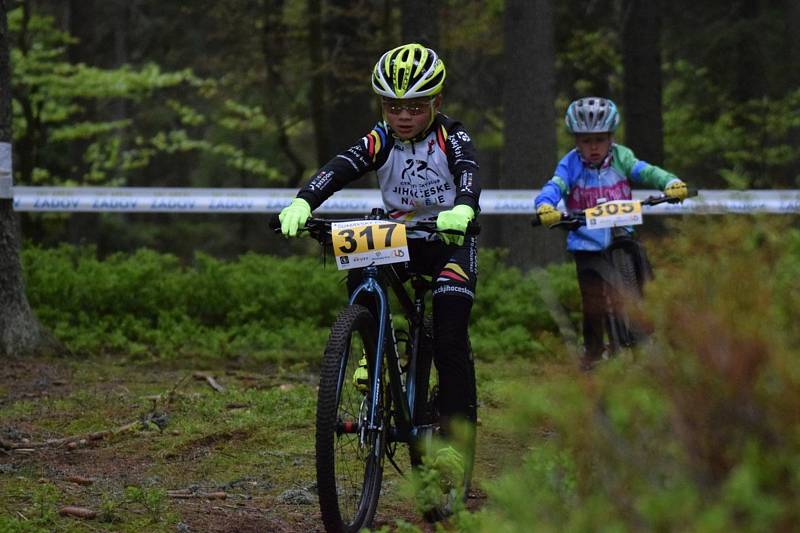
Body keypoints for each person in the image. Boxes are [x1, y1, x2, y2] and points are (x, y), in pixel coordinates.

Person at [278, 43, 480, 474]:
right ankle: (372, 341)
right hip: (402, 236)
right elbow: (343, 164)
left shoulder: (451, 135)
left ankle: (455, 438)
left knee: (448, 335)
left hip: (449, 238)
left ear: (436, 103)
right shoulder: (382, 137)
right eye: (393, 106)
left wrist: (463, 207)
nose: (403, 116)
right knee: (359, 249)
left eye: (415, 107)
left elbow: (468, 171)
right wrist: (304, 201)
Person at [534, 97, 688, 371]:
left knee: (640, 276)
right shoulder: (570, 164)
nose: (593, 147)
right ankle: (593, 350)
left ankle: (647, 336)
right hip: (586, 241)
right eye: (585, 140)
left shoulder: (621, 157)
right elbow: (554, 185)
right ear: (575, 141)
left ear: (611, 138)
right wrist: (545, 205)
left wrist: (671, 182)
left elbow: (646, 171)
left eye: (600, 139)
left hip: (621, 233)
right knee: (592, 298)